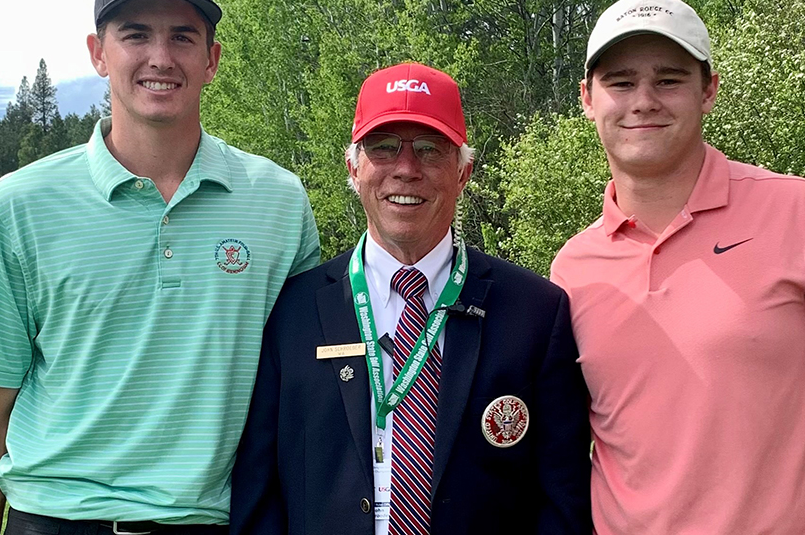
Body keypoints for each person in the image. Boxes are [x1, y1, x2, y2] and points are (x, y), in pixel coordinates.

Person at [0, 0, 320, 535]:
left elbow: (302, 396)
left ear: (212, 59)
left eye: (182, 37)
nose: (160, 57)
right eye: (135, 35)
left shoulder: (277, 201)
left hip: (210, 525)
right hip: (56, 519)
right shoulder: (20, 204)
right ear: (98, 53)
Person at [550, 0, 805, 535]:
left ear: (708, 90)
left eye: (669, 80)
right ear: (587, 99)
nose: (643, 100)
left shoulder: (801, 212)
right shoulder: (572, 267)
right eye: (620, 82)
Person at [230, 62, 591, 535]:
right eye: (383, 147)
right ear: (353, 168)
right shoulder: (292, 311)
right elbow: (260, 494)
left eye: (429, 149)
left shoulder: (535, 313)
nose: (406, 169)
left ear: (463, 172)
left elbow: (562, 500)